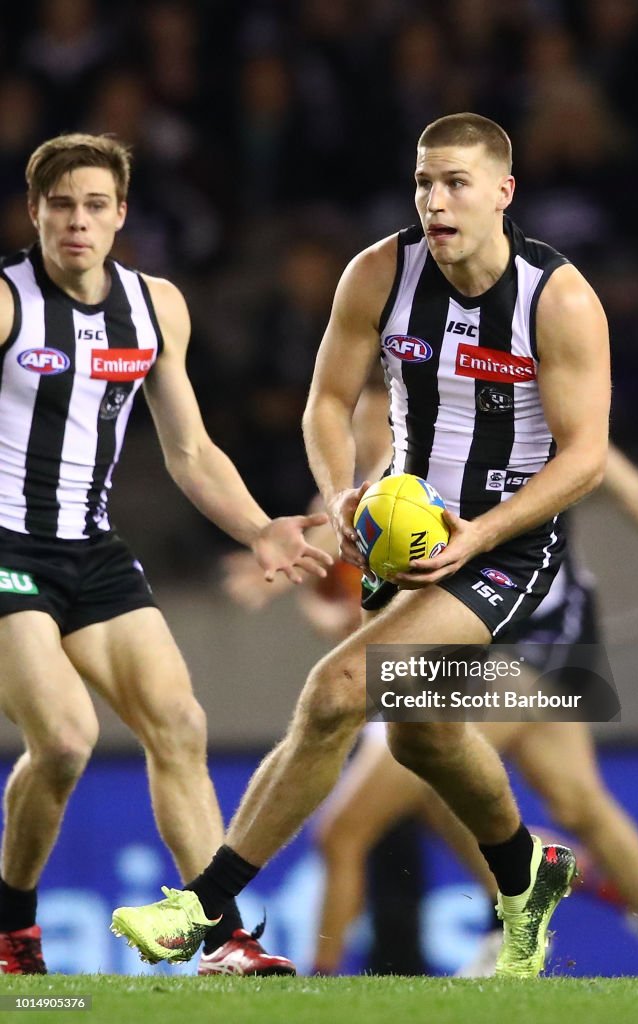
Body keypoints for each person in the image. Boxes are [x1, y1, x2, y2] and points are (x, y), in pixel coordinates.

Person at [111, 111, 612, 978]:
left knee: (339, 687)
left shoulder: (556, 297)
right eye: (423, 181)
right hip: (403, 532)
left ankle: (203, 906)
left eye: (455, 182)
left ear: (503, 192)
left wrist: (483, 533)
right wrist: (343, 489)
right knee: (423, 736)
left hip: (506, 547)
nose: (435, 200)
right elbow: (326, 404)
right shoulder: (379, 272)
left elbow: (589, 457)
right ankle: (527, 872)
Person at [0, 133, 333, 976]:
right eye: (62, 204)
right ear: (35, 211)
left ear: (121, 215)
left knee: (180, 724)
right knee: (68, 740)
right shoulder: (5, 302)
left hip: (91, 548)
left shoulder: (155, 307)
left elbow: (189, 452)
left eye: (95, 205)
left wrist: (260, 526)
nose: (78, 221)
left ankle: (220, 939)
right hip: (5, 546)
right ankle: (11, 930)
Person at [311, 444, 638, 977]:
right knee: (574, 800)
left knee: (389, 791)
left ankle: (499, 918)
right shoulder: (420, 420)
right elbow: (359, 523)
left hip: (536, 635)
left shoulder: (551, 420)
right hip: (479, 641)